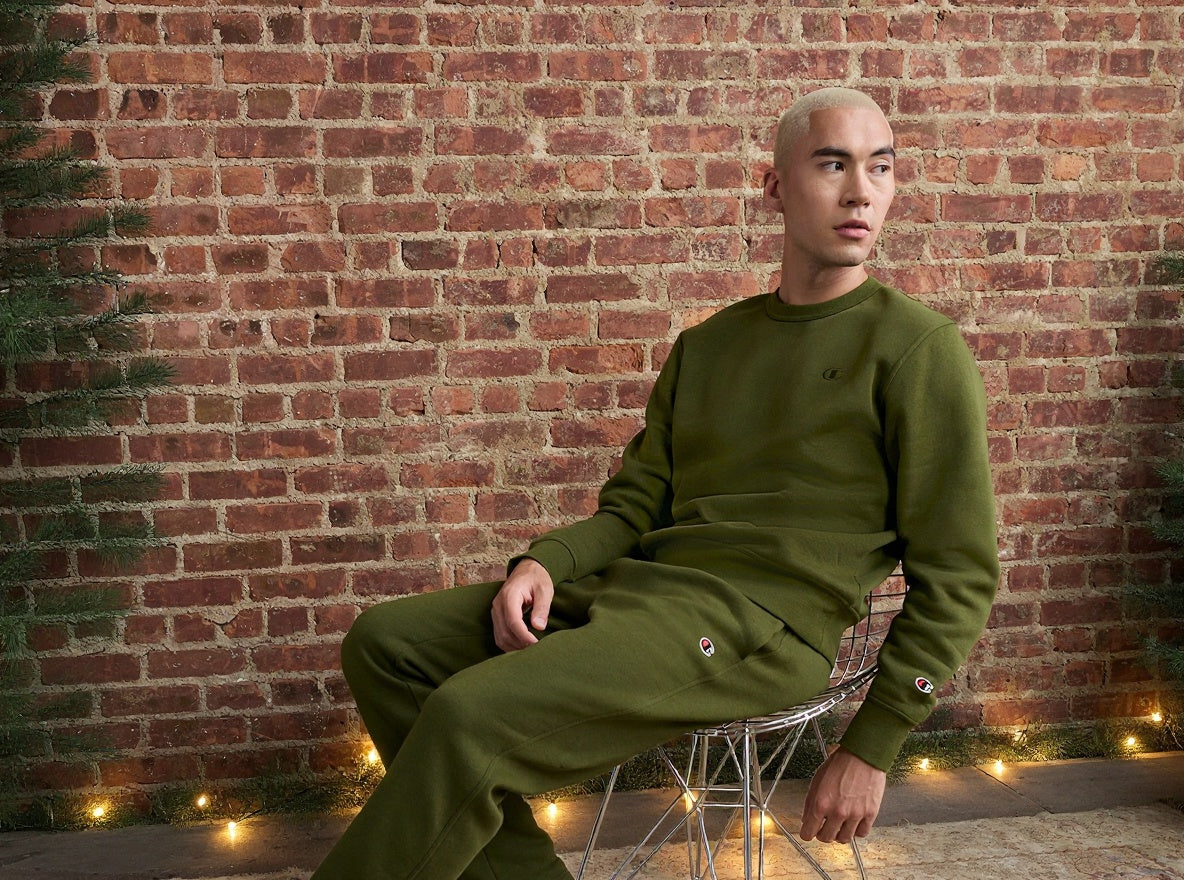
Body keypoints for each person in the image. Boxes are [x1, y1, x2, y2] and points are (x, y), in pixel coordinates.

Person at [311, 87, 999, 880]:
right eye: (833, 164)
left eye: (880, 168)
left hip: (762, 625)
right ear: (775, 186)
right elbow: (637, 503)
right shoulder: (709, 346)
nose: (861, 192)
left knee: (473, 716)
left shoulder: (917, 349)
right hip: (648, 592)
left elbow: (961, 570)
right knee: (386, 645)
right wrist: (545, 563)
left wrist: (872, 743)